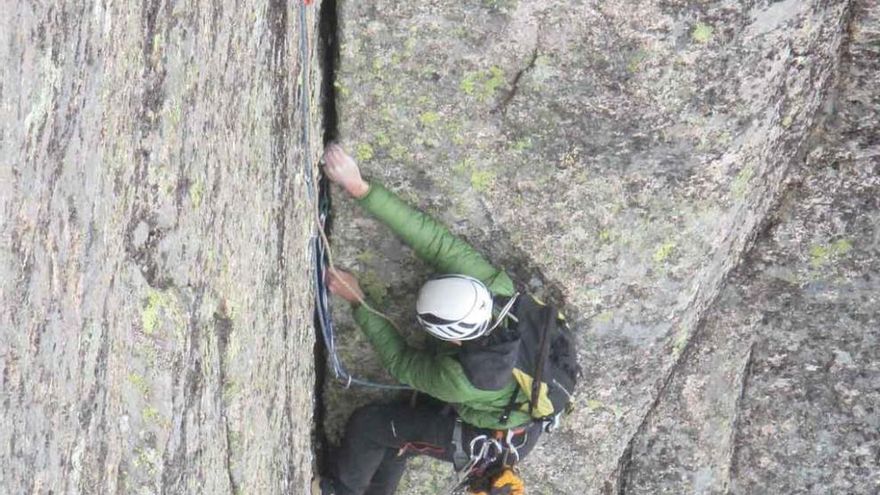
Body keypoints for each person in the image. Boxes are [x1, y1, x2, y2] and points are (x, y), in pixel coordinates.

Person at [319, 143, 542, 495]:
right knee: (401, 426)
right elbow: (436, 242)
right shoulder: (497, 290)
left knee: (370, 426)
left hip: (485, 438)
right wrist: (360, 188)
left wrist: (358, 300)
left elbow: (401, 362)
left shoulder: (460, 378)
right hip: (514, 408)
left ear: (453, 340)